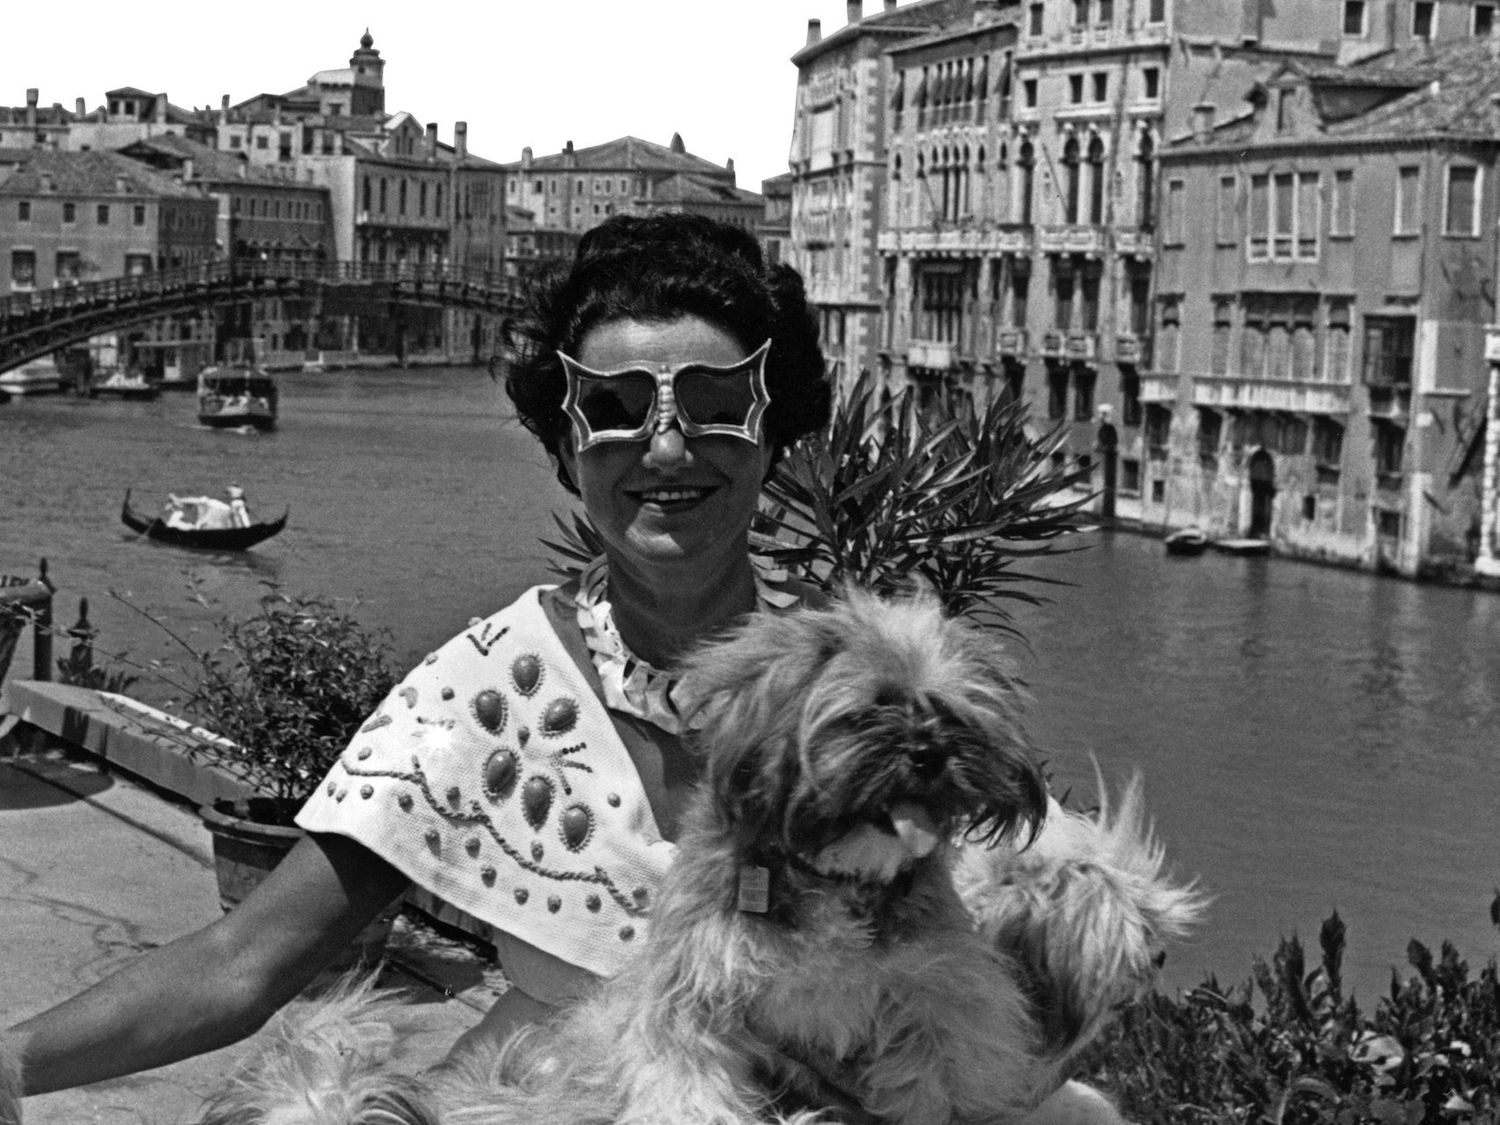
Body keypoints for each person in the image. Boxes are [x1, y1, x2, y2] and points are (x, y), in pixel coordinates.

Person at [5, 213, 835, 1097]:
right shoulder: (492, 690)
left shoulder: (871, 694)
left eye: (716, 407)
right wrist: (11, 1060)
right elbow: (245, 960)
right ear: (565, 450)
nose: (667, 447)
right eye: (616, 411)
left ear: (772, 433)